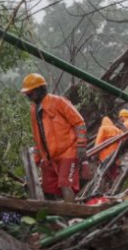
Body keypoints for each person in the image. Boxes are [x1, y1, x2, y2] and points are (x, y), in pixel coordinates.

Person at [21, 73, 87, 202]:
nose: (28, 96)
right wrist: (36, 158)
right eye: (27, 94)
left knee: (65, 184)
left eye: (31, 93)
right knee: (49, 188)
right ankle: (55, 217)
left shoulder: (58, 102)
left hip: (68, 152)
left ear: (40, 90)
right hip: (49, 157)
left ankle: (72, 214)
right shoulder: (34, 109)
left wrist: (80, 145)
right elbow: (38, 135)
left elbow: (79, 123)